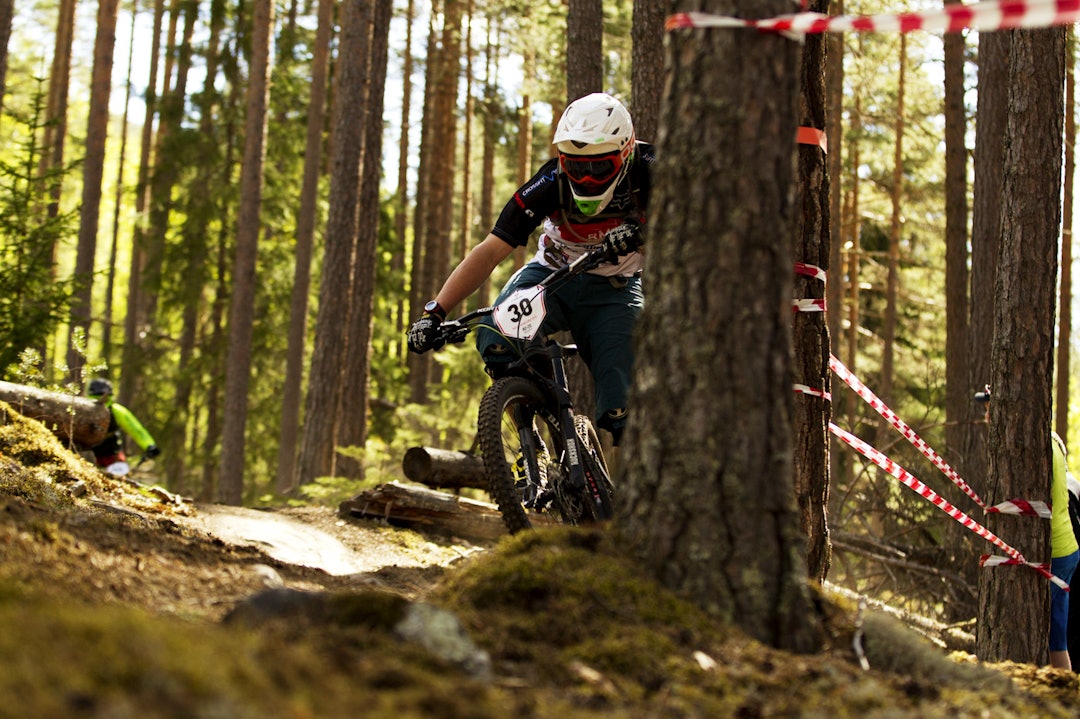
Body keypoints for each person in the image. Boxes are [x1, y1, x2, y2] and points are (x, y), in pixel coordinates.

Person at [407, 92, 654, 446]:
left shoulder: (653, 168)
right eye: (576, 167)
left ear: (626, 152)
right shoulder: (550, 181)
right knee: (496, 339)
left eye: (599, 167)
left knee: (623, 405)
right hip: (552, 278)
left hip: (615, 289)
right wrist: (434, 312)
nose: (586, 179)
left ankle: (626, 474)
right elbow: (490, 251)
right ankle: (537, 437)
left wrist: (645, 234)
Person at [977, 387, 1079, 669]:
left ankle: (1059, 690)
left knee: (1052, 641)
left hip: (1055, 552)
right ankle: (1060, 688)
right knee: (1054, 638)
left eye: (990, 407)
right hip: (1064, 548)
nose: (986, 414)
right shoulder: (1051, 438)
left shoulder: (1031, 444)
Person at [86, 378, 160, 476]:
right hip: (89, 453)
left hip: (110, 454)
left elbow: (135, 429)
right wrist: (149, 445)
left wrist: (149, 445)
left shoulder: (116, 411)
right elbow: (136, 429)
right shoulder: (83, 409)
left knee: (119, 476)